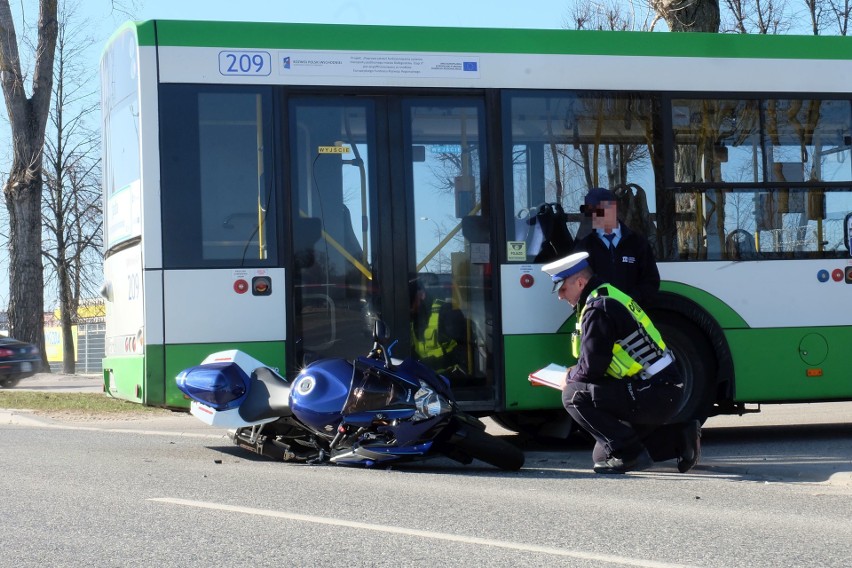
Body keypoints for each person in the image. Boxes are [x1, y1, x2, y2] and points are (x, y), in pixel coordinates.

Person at [542, 251, 701, 474]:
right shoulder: (605, 296)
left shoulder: (598, 309)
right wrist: (574, 372)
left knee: (572, 395)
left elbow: (591, 369)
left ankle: (631, 454)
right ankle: (680, 438)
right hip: (660, 389)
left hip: (653, 391)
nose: (560, 296)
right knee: (601, 455)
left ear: (579, 282)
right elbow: (595, 363)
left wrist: (566, 377)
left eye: (562, 288)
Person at [574, 187, 660, 306]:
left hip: (632, 316)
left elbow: (651, 282)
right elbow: (577, 285)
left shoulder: (638, 243)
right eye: (591, 211)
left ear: (612, 208)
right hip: (598, 316)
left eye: (599, 209)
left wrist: (631, 299)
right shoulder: (584, 247)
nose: (595, 215)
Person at [409, 278, 468, 378]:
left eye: (410, 300)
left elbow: (464, 351)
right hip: (426, 379)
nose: (409, 307)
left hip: (451, 380)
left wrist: (431, 363)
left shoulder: (446, 312)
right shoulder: (413, 320)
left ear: (422, 295)